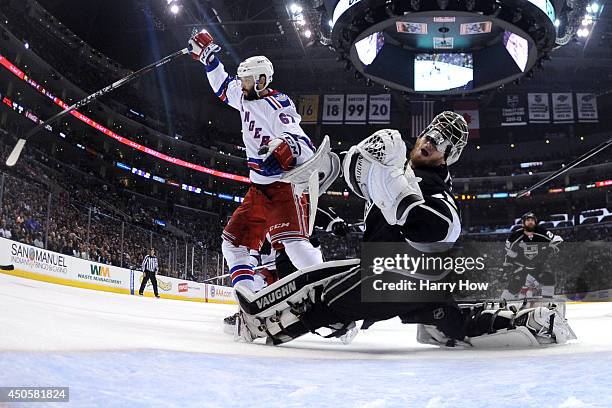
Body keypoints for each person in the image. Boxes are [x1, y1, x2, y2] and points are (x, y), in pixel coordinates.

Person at [233, 112, 575, 348]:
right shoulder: (393, 167)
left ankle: (261, 323)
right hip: (405, 279)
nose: (431, 142)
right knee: (449, 325)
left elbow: (446, 227)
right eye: (431, 134)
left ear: (447, 157)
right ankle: (529, 321)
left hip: (404, 274)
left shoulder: (431, 183)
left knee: (323, 295)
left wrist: (402, 202)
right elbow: (345, 170)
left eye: (441, 143)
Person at [188, 29, 323, 294]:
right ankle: (249, 302)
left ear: (261, 80)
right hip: (258, 190)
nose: (242, 84)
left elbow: (304, 145)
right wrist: (209, 57)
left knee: (294, 245)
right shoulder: (244, 95)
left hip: (284, 187)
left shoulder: (278, 105)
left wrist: (286, 150)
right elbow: (223, 87)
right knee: (233, 244)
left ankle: (330, 302)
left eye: (247, 79)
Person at [502, 212, 563, 300]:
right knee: (515, 285)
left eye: (532, 220)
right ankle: (503, 303)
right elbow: (509, 254)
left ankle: (547, 302)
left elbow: (558, 240)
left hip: (538, 267)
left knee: (548, 278)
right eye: (528, 220)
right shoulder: (514, 236)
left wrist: (550, 249)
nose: (530, 222)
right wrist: (506, 269)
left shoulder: (542, 232)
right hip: (522, 268)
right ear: (523, 223)